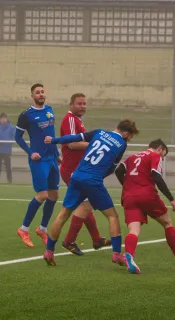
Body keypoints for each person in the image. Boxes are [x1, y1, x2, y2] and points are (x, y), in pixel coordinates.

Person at [42, 119, 139, 267]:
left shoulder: (99, 132)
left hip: (76, 176)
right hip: (93, 181)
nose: (129, 139)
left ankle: (49, 251)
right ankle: (117, 255)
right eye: (130, 136)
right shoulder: (122, 144)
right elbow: (112, 168)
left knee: (62, 215)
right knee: (113, 216)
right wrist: (98, 177)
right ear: (126, 133)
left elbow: (74, 138)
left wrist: (54, 140)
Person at [114, 139, 175, 274]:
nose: (162, 158)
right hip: (146, 195)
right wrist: (171, 199)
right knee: (168, 223)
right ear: (160, 149)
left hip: (128, 197)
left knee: (134, 230)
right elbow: (156, 176)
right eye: (164, 155)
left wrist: (127, 187)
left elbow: (118, 171)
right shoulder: (154, 155)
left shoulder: (133, 157)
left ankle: (129, 257)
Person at [59, 93, 110, 255]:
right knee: (85, 205)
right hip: (73, 170)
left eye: (84, 104)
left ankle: (96, 239)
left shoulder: (77, 120)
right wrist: (95, 144)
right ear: (71, 105)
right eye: (79, 103)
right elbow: (73, 144)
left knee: (86, 204)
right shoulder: (70, 120)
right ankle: (69, 241)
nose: (82, 106)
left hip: (79, 170)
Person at [14, 83, 60, 247]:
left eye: (42, 92)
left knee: (54, 196)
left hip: (52, 160)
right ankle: (23, 229)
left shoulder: (50, 110)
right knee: (42, 195)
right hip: (39, 160)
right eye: (37, 93)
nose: (40, 94)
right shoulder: (26, 115)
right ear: (32, 96)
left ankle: (42, 229)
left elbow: (51, 134)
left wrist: (57, 155)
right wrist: (30, 152)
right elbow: (17, 137)